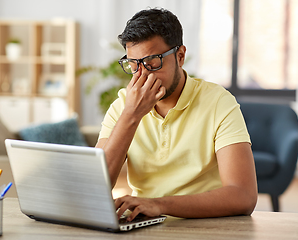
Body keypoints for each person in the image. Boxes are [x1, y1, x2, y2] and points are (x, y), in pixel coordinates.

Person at [95, 8, 257, 221]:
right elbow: (96, 186)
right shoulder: (123, 106)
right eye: (134, 66)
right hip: (144, 225)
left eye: (152, 63)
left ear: (180, 56)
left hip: (205, 225)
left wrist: (158, 205)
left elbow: (243, 195)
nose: (142, 76)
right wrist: (131, 115)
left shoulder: (218, 102)